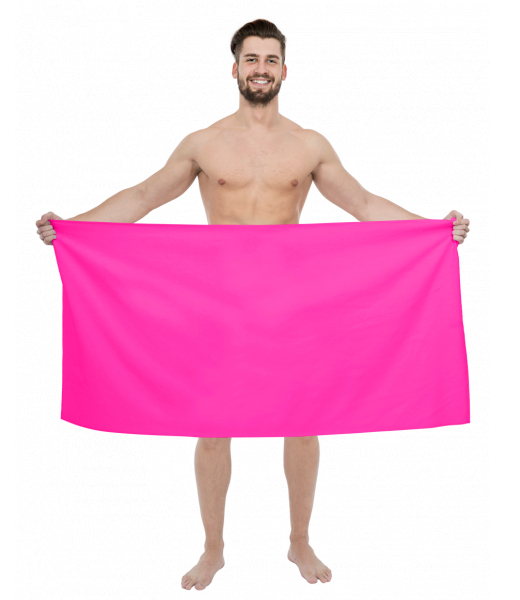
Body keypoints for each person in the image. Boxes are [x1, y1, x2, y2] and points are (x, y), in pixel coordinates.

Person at [35, 18, 471, 591]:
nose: (260, 69)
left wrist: (433, 230)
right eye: (251, 59)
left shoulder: (309, 145)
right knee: (212, 427)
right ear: (235, 68)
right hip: (218, 308)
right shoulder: (203, 143)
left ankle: (299, 541)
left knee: (304, 423)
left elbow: (363, 204)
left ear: (284, 70)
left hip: (294, 307)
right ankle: (213, 549)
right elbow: (143, 196)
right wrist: (73, 227)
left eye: (270, 60)